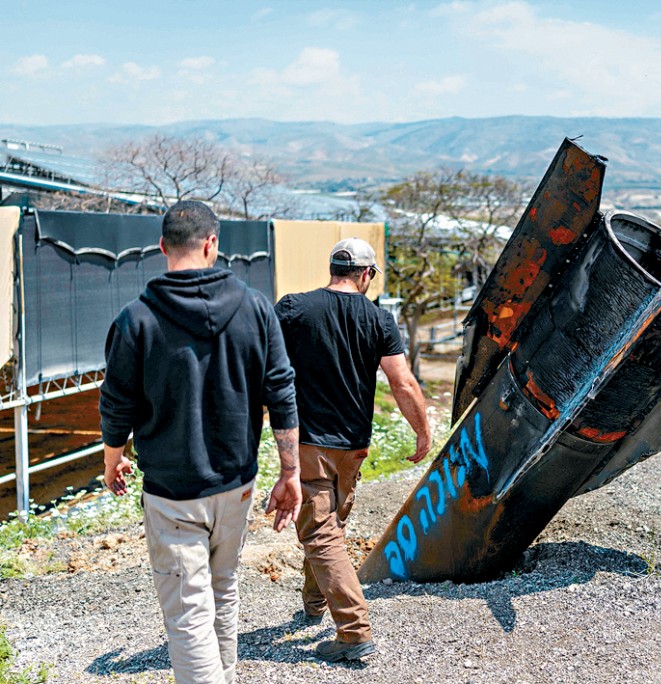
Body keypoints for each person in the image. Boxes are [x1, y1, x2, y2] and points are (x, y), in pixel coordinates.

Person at [99, 200, 302, 684]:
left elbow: (116, 404)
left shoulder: (135, 319)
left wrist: (113, 458)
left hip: (172, 493)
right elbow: (281, 392)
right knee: (223, 590)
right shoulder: (256, 307)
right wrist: (290, 472)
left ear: (162, 247)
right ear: (212, 244)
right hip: (237, 485)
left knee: (188, 612)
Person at [274, 237, 431, 662]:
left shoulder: (293, 308)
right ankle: (314, 602)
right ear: (366, 274)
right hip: (354, 448)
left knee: (320, 530)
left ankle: (354, 630)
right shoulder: (379, 319)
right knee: (327, 525)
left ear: (332, 268)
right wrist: (422, 431)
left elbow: (262, 365)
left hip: (309, 442)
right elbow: (403, 382)